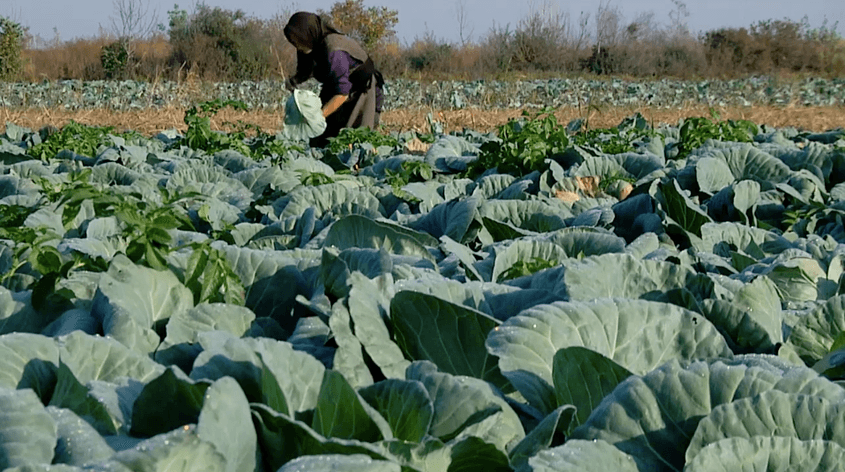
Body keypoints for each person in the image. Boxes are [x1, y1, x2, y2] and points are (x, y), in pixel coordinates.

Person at [283, 12, 385, 148]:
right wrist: (294, 81)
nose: (296, 46)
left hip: (361, 89)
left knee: (353, 139)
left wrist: (317, 117)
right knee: (322, 138)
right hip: (337, 86)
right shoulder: (314, 44)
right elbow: (307, 69)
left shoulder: (335, 51)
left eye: (297, 41)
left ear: (307, 34)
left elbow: (342, 94)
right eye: (293, 43)